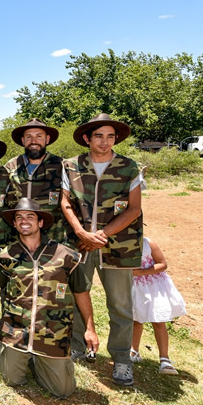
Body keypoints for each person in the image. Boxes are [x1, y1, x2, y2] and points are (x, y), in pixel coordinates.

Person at [61, 113, 144, 386]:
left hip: (119, 246)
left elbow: (134, 209)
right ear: (87, 138)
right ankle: (76, 345)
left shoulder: (129, 167)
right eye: (99, 136)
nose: (105, 141)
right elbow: (65, 204)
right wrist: (81, 232)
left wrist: (100, 235)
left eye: (110, 136)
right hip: (80, 244)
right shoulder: (71, 166)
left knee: (120, 304)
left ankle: (121, 359)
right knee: (76, 294)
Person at [0, 198, 98, 399]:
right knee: (11, 380)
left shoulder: (67, 255)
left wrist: (90, 329)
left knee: (63, 391)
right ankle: (2, 344)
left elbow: (81, 292)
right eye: (19, 217)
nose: (24, 221)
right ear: (14, 224)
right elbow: (3, 287)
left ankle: (39, 359)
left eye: (30, 217)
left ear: (40, 222)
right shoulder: (6, 257)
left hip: (52, 335)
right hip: (17, 333)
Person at [4, 118, 66, 242]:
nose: (34, 141)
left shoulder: (61, 166)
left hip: (53, 238)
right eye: (29, 137)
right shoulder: (11, 166)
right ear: (23, 140)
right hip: (18, 238)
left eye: (39, 136)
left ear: (47, 139)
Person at [131, 237, 186, 375]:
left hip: (154, 287)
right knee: (136, 320)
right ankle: (134, 351)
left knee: (158, 321)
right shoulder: (121, 243)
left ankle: (164, 359)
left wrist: (142, 272)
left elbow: (163, 264)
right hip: (136, 287)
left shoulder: (148, 244)